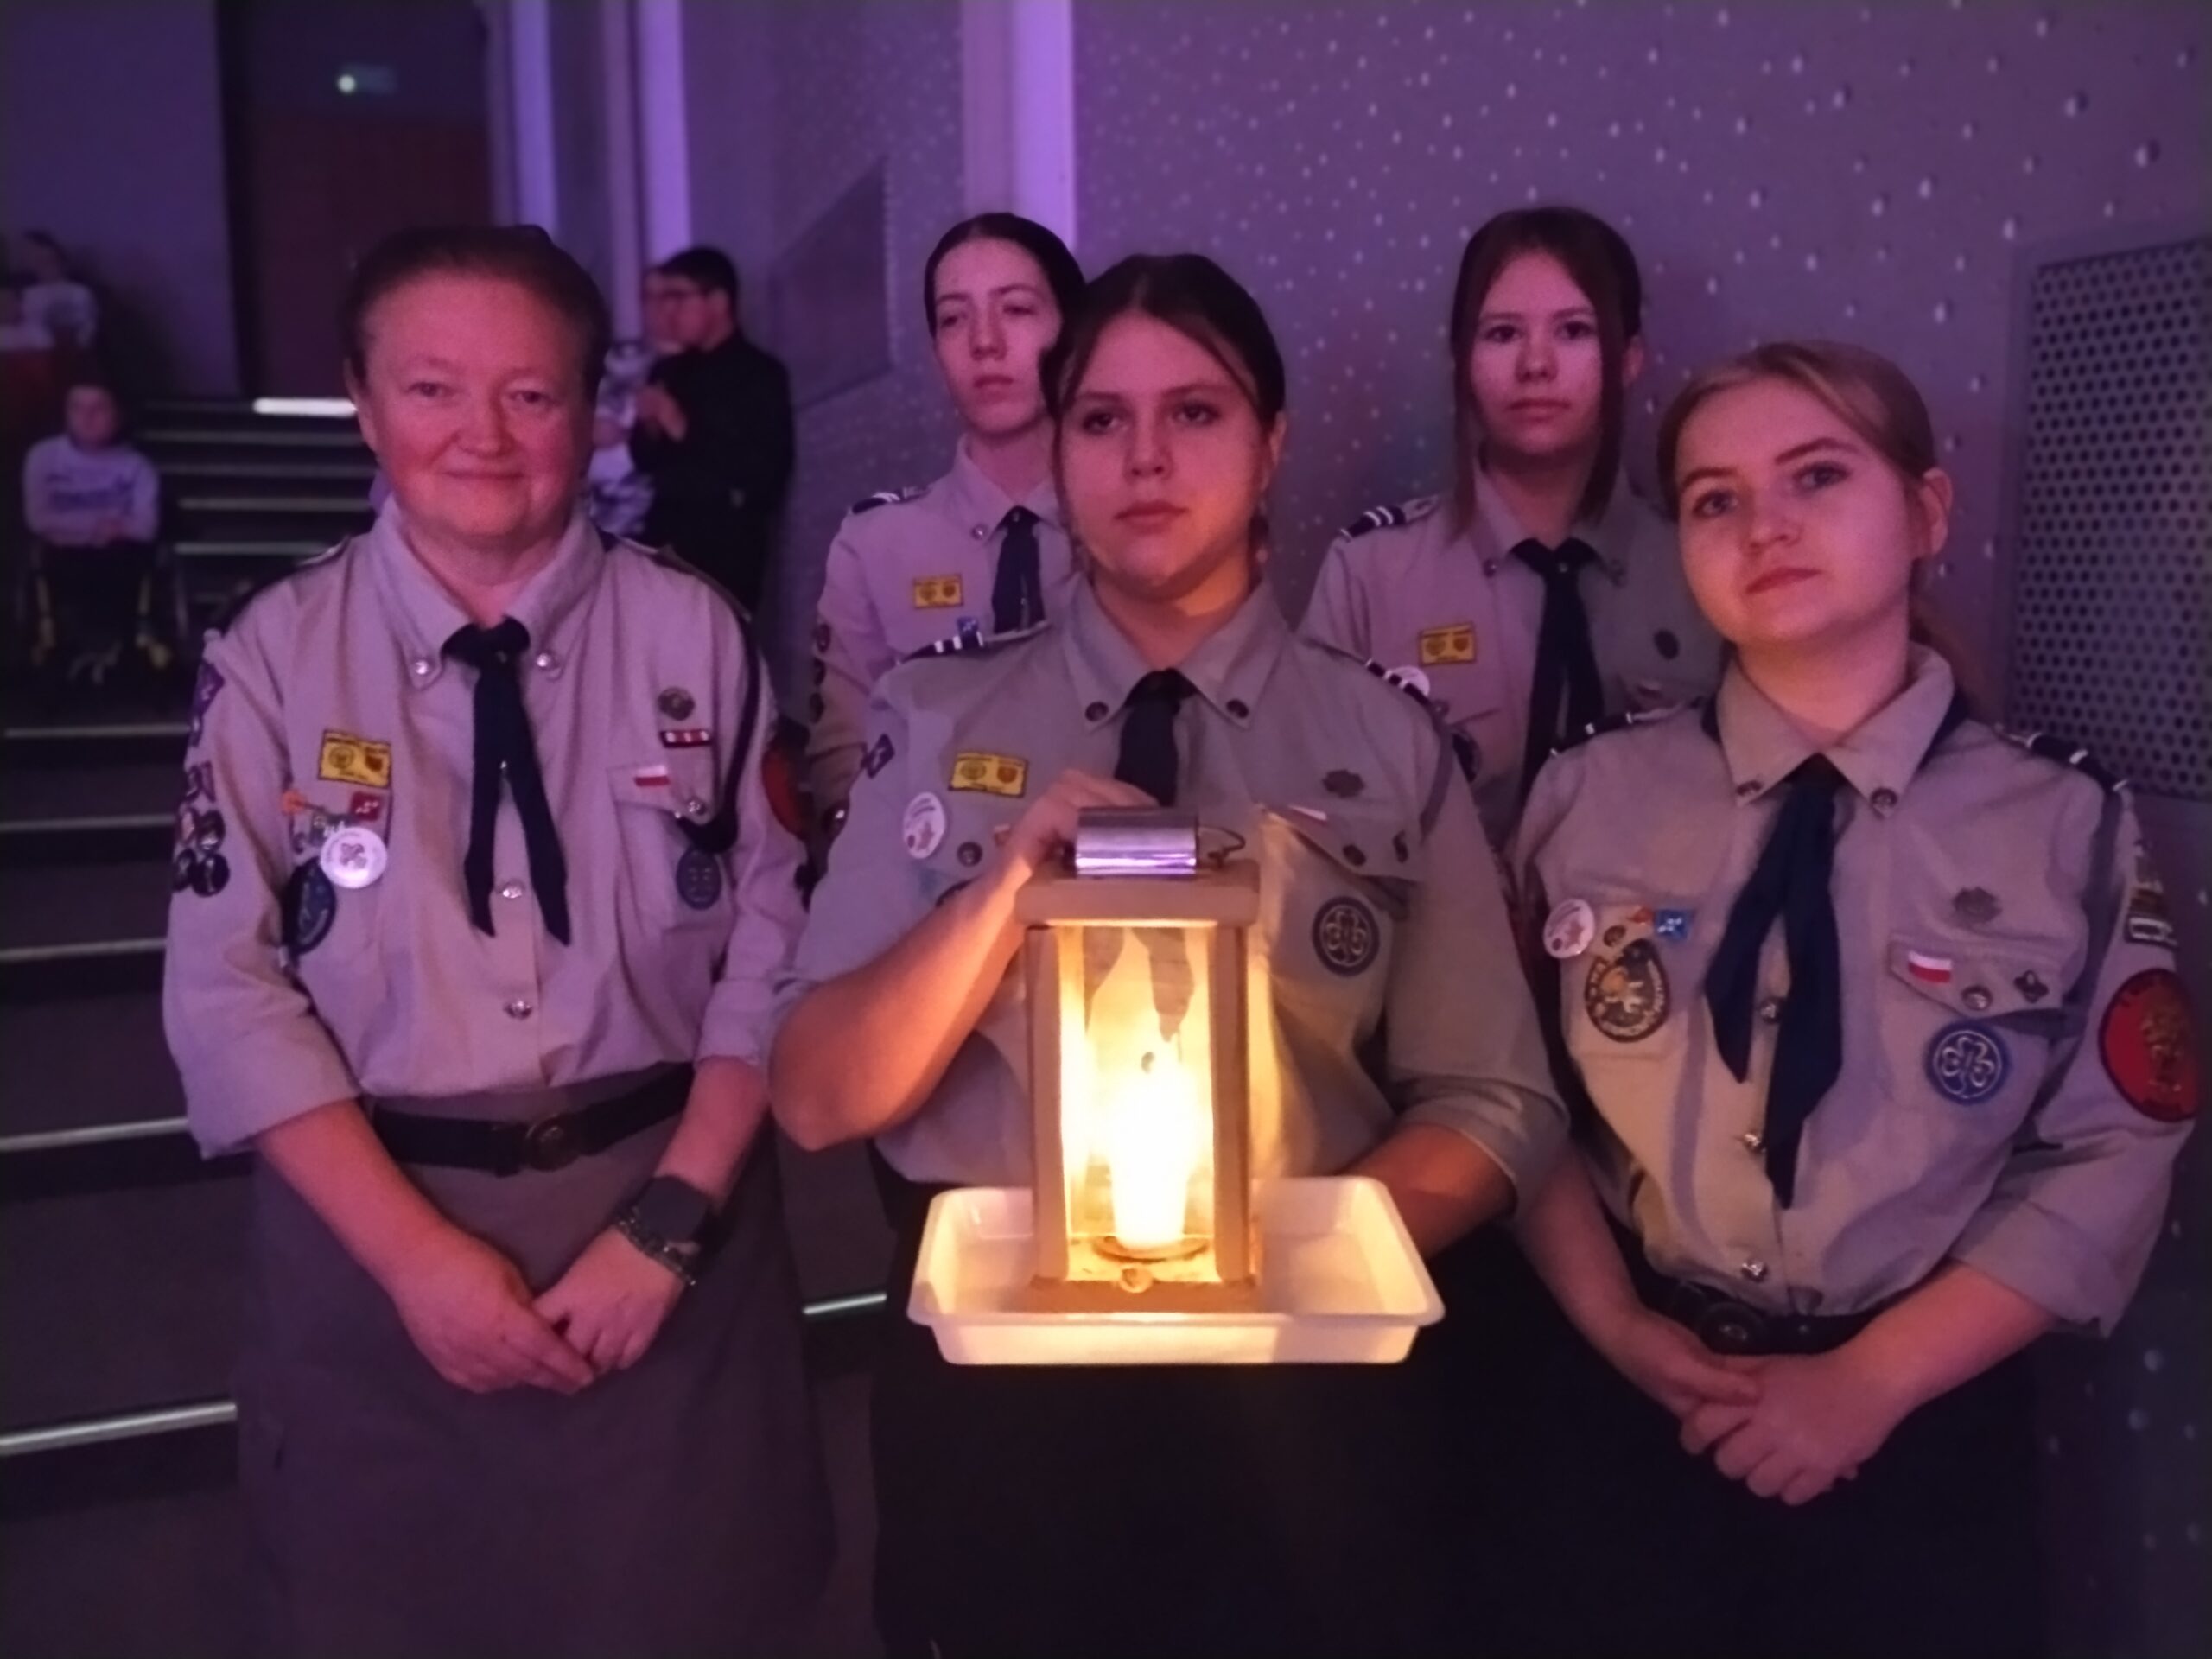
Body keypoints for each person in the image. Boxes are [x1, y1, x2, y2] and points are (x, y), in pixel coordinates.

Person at [772, 252, 1565, 1658]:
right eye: (1102, 419)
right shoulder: (938, 718)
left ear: (1272, 443)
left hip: (1298, 1391)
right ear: (1057, 449)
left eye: (1195, 412)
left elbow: (1496, 1098)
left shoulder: (1382, 739)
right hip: (1001, 1391)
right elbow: (820, 1094)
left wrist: (1285, 1260)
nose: (1145, 457)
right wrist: (1005, 892)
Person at [161, 225, 830, 1658]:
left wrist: (667, 1227)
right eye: (432, 389)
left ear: (591, 411)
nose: (484, 435)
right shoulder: (272, 655)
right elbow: (224, 980)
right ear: (363, 402)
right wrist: (415, 1260)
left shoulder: (699, 637)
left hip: (668, 1234)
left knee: (698, 1612)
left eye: (531, 394)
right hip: (374, 1248)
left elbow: (776, 942)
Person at [1505, 340, 2196, 1658]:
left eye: (1816, 476)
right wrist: (1615, 1325)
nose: (1764, 525)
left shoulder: (2061, 821)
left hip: (1922, 1427)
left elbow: (2119, 1139)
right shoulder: (1587, 798)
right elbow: (1511, 1089)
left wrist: (1870, 1382)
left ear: (1926, 511)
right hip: (1632, 1399)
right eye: (1714, 499)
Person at [1302, 204, 1721, 849]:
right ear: (1461, 358)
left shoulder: (1702, 565)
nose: (1536, 365)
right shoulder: (1371, 574)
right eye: (1502, 334)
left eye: (1574, 331)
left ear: (1629, 358)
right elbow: (1310, 815)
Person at [804, 213, 1085, 831]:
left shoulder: (1128, 530)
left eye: (1016, 309)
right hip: (924, 869)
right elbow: (842, 765)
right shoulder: (877, 544)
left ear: (1074, 332)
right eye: (954, 319)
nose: (985, 342)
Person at [630, 245, 793, 613]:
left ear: (718, 302)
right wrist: (650, 424)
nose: (668, 311)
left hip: (725, 555)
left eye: (678, 297)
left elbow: (764, 474)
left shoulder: (759, 374)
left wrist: (681, 425)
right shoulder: (668, 371)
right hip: (662, 544)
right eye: (662, 299)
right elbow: (644, 460)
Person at [22, 376, 162, 685]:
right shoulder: (43, 458)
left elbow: (146, 526)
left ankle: (118, 653)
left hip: (120, 559)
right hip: (61, 557)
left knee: (130, 565)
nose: (87, 418)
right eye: (77, 408)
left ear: (117, 414)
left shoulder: (137, 466)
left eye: (98, 408)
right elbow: (39, 519)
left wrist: (72, 527)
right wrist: (103, 526)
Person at [19, 230, 98, 348]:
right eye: (41, 263)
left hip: (72, 350)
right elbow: (28, 327)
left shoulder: (80, 293)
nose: (47, 268)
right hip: (38, 352)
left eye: (51, 262)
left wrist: (77, 346)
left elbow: (88, 325)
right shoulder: (29, 294)